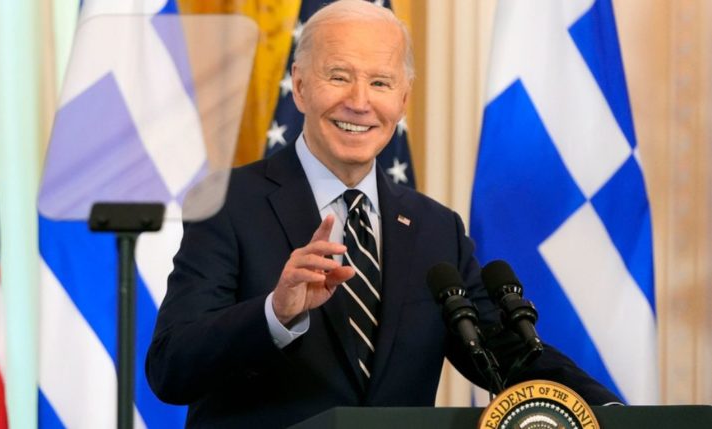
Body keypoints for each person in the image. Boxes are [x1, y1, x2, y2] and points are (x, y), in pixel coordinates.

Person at [146, 1, 620, 427]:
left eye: (380, 82)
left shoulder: (437, 229)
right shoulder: (229, 203)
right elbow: (171, 368)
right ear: (301, 86)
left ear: (403, 99)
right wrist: (276, 311)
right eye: (338, 76)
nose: (359, 101)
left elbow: (503, 352)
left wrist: (613, 411)